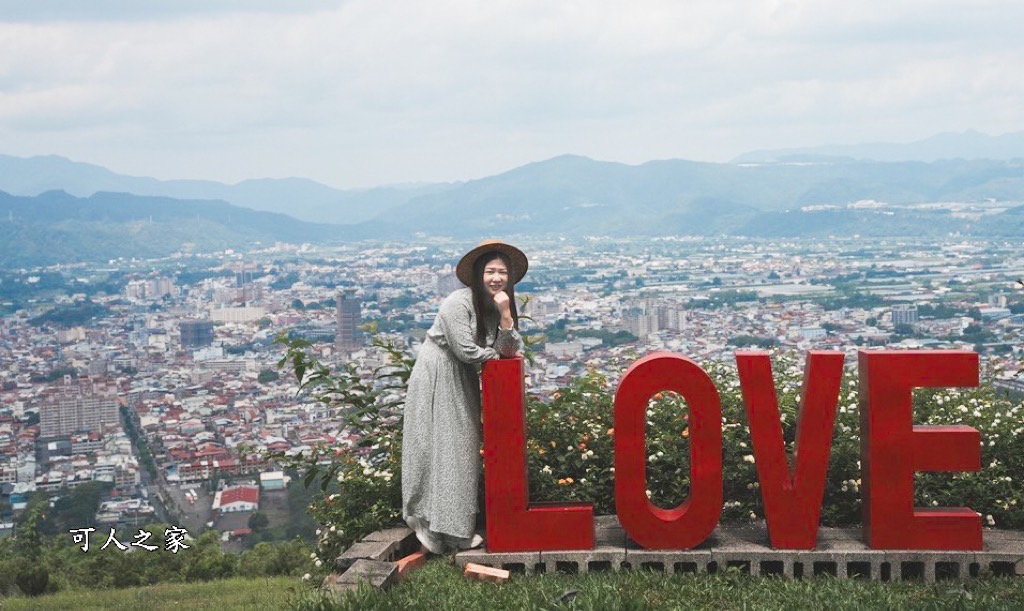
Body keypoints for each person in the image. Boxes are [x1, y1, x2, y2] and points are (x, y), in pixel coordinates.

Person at [401, 240, 527, 553]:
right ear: (477, 274)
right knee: (447, 448)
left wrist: (506, 315)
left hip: (461, 377)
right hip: (439, 374)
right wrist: (495, 354)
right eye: (490, 271)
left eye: (502, 272)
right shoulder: (457, 302)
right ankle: (444, 530)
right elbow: (466, 350)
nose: (496, 278)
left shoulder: (495, 306)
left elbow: (509, 350)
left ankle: (453, 528)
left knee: (461, 448)